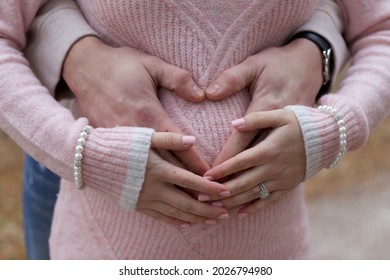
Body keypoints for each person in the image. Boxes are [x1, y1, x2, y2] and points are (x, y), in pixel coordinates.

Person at [1, 0, 388, 259]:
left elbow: (376, 25)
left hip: (270, 247)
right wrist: (81, 153)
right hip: (101, 243)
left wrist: (334, 128)